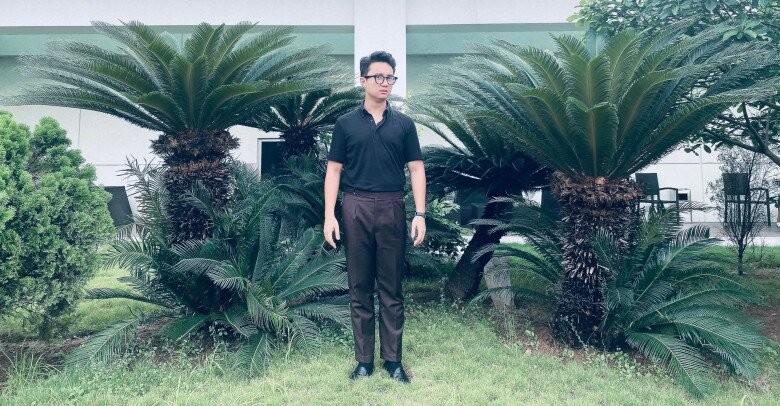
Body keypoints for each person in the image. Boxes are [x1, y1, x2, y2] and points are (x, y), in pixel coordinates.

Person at [323, 51, 426, 384]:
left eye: (390, 77)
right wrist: (329, 215)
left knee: (391, 286)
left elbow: (416, 169)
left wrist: (420, 213)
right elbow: (334, 170)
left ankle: (393, 361)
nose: (385, 83)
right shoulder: (345, 124)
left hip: (393, 205)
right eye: (379, 77)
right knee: (359, 286)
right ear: (363, 80)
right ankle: (364, 361)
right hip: (354, 206)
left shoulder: (404, 125)